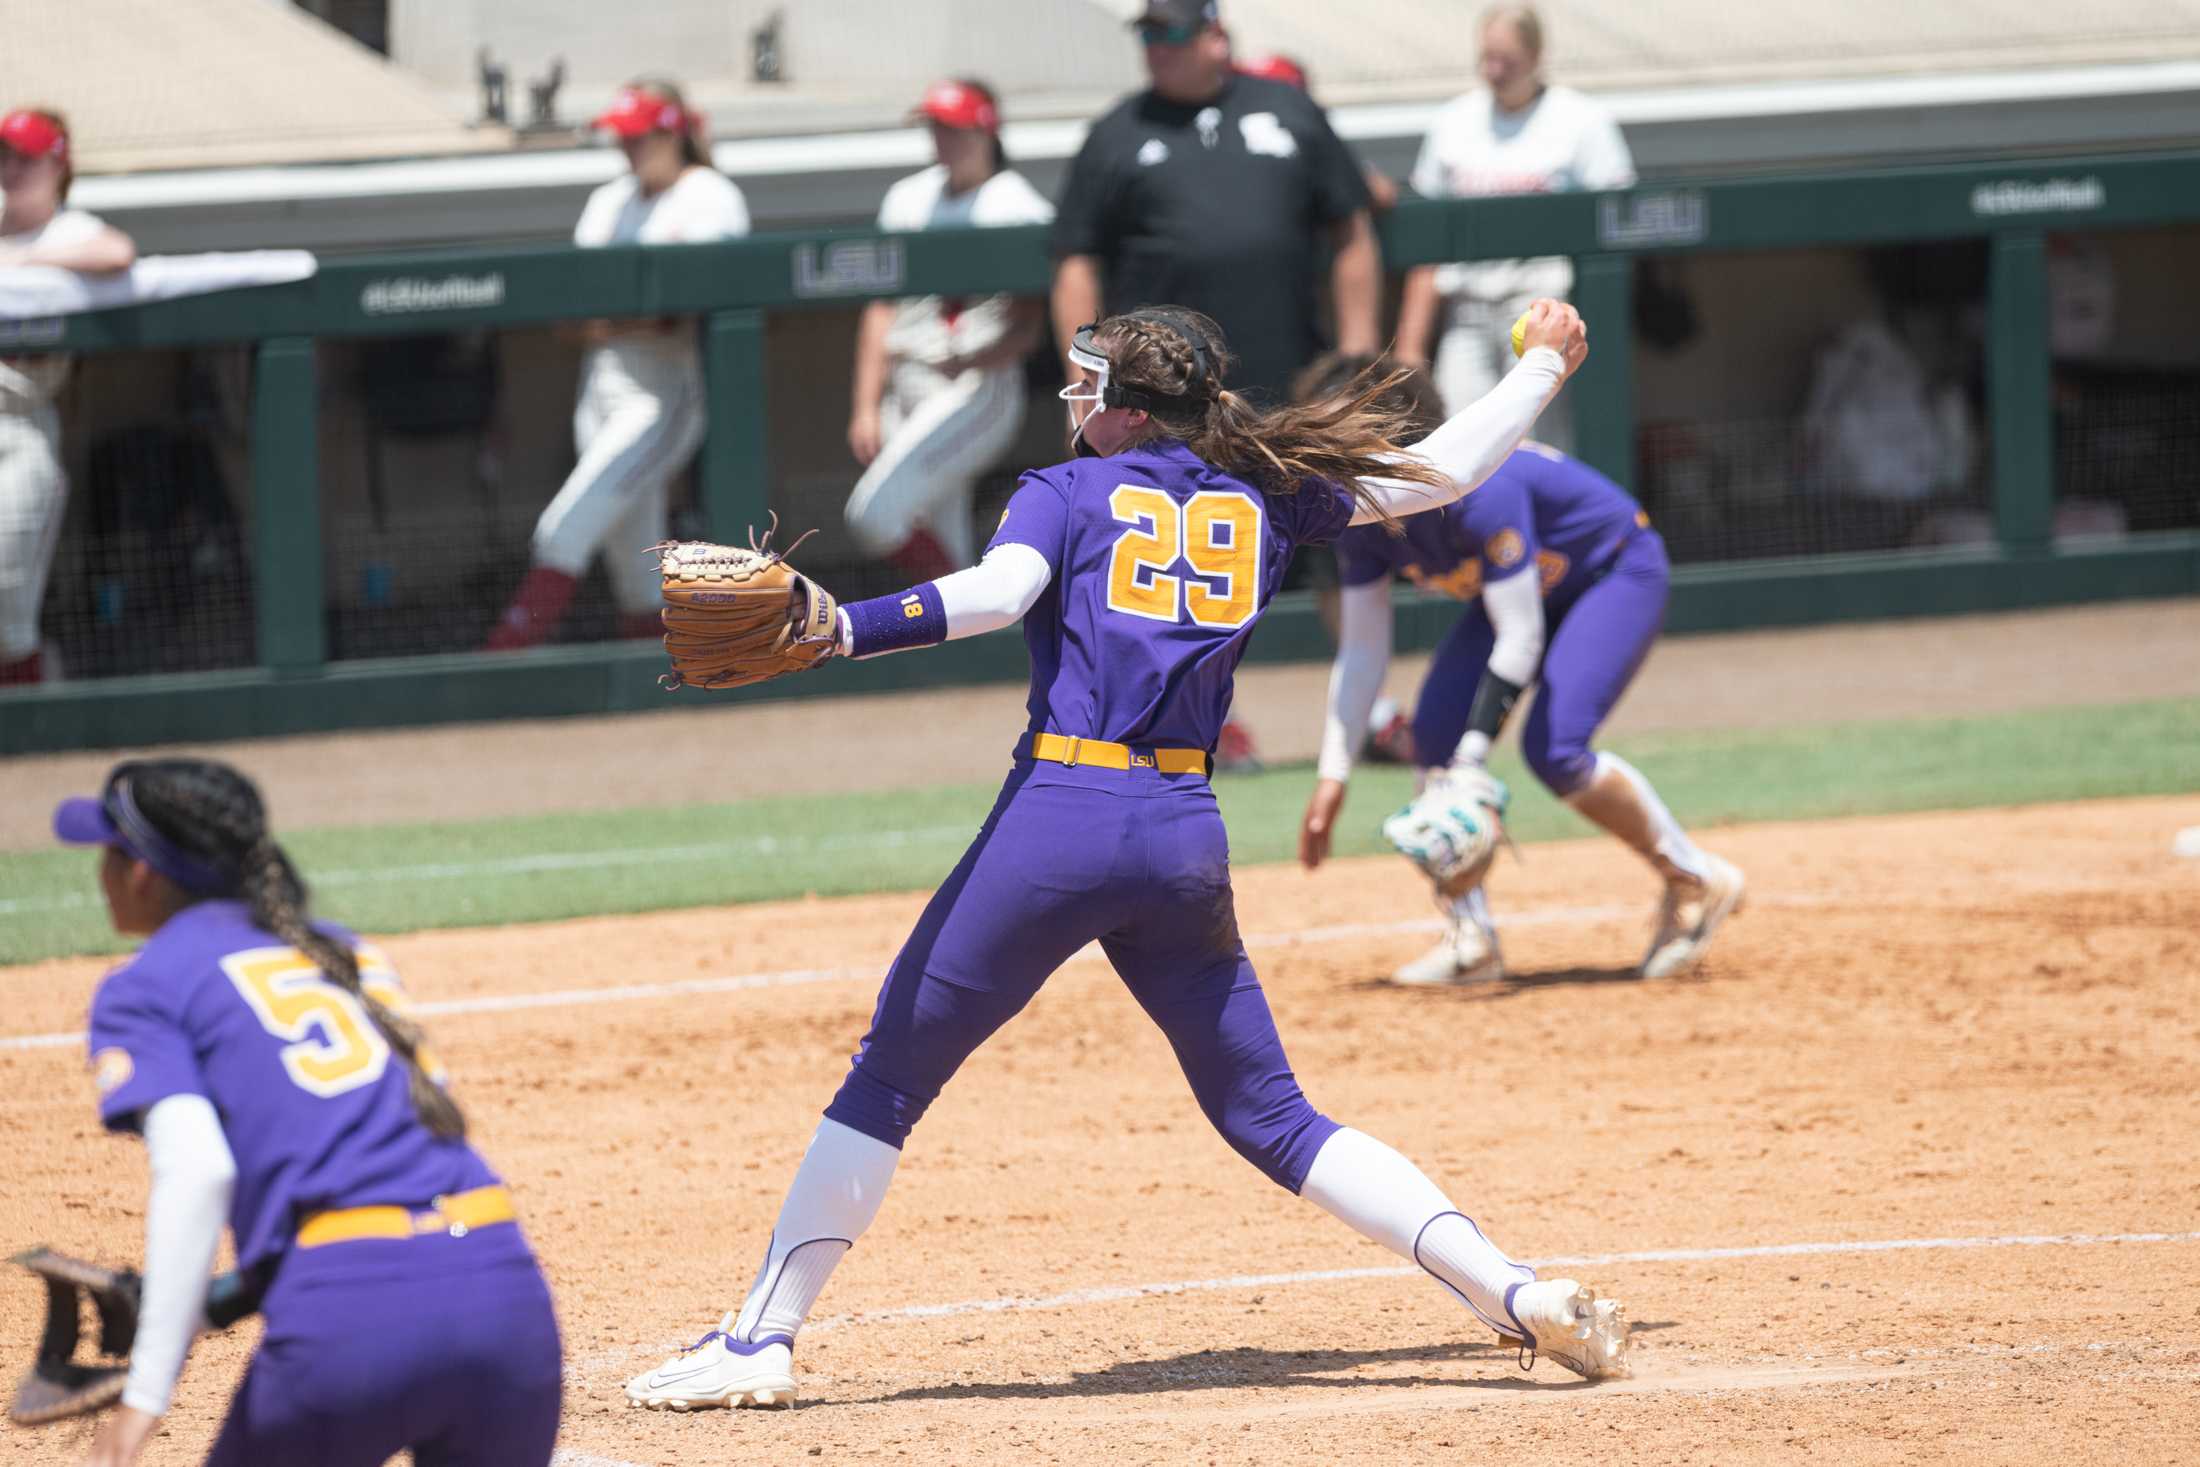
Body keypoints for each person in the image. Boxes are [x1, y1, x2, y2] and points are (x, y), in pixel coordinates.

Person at [622, 299, 1634, 1413]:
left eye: (1082, 384)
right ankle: (1509, 1289)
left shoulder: (1063, 492)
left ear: (1122, 404)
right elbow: (1440, 472)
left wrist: (846, 626)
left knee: (888, 1079)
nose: (1069, 401)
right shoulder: (1261, 489)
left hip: (1062, 812)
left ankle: (760, 1340)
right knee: (1277, 1115)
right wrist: (1540, 365)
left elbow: (1000, 594)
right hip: (1183, 833)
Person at [54, 758, 562, 1465]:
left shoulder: (147, 983)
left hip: (351, 1327)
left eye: (108, 853)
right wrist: (214, 1303)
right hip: (507, 1295)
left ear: (142, 872)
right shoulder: (341, 949)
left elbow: (199, 1173)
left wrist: (146, 1390)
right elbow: (373, 1170)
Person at [1290, 352, 1744, 986]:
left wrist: (1474, 763)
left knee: (1554, 749)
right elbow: (1364, 649)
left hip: (1611, 571)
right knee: (1434, 737)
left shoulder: (1480, 489)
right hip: (1517, 600)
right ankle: (1471, 938)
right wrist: (1333, 773)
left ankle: (1695, 877)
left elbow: (1522, 635)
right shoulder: (1363, 512)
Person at [1053, 0, 1380, 767]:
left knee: (1339, 541)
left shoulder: (1286, 110)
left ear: (1215, 36)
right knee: (1176, 553)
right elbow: (1074, 257)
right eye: (1146, 35)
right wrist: (1087, 379)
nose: (1156, 49)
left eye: (1170, 32)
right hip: (1165, 400)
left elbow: (1353, 225)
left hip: (1290, 377)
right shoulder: (1118, 133)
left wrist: (1360, 354)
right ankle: (1181, 716)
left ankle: (1372, 710)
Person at [487, 78, 750, 650]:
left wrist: (617, 318)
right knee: (635, 570)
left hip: (664, 396)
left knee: (563, 529)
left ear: (673, 132)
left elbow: (686, 312)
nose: (628, 147)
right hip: (600, 388)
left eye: (640, 136)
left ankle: (505, 654)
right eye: (622, 137)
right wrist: (626, 317)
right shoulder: (608, 201)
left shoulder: (710, 194)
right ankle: (672, 679)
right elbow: (569, 316)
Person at [1392, 5, 1634, 443]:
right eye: (1487, 58)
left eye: (1507, 59)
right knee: (1457, 441)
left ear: (1536, 54)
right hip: (1467, 306)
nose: (1495, 71)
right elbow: (1428, 244)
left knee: (1535, 444)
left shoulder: (1580, 119)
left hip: (1540, 303)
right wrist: (1410, 342)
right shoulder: (1454, 121)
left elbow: (1617, 223)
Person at [844, 79, 1052, 581]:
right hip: (907, 376)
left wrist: (974, 360)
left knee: (874, 515)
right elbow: (881, 308)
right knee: (940, 528)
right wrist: (865, 404)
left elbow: (1031, 324)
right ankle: (972, 642)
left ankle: (980, 616)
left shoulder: (1017, 204)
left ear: (987, 131)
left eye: (955, 129)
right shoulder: (907, 197)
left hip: (975, 383)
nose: (944, 140)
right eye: (937, 127)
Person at [0, 107, 136, 686]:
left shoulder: (68, 230)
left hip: (18, 424)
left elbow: (117, 254)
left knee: (5, 595)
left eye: (25, 157)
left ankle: (35, 725)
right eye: (4, 156)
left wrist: (27, 260)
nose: (10, 168)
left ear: (58, 164)